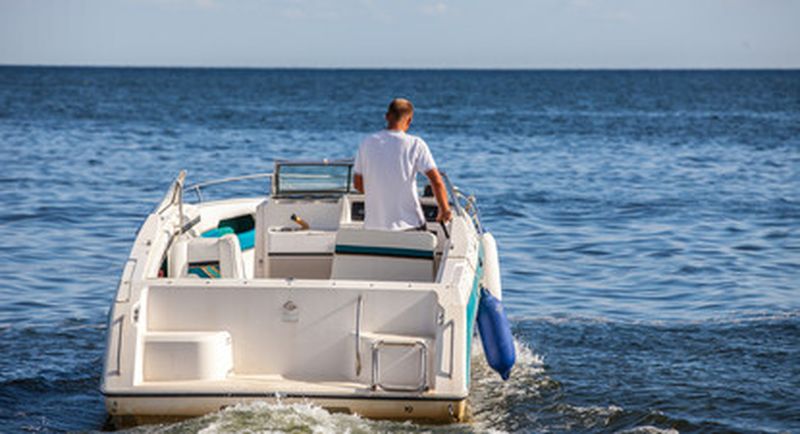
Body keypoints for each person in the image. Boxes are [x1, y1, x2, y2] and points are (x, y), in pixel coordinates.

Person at [353, 98, 452, 231]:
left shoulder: (366, 143)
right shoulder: (415, 144)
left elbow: (358, 184)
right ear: (409, 120)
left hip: (373, 229)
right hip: (410, 227)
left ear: (387, 116)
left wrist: (381, 192)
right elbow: (437, 181)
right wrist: (444, 210)